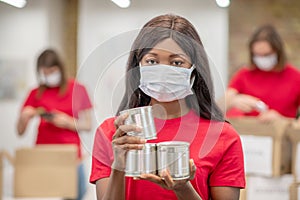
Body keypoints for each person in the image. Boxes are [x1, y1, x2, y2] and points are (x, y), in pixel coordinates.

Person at [89, 14, 245, 200]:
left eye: (176, 62)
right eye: (152, 61)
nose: (163, 70)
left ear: (194, 70)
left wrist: (182, 187)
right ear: (138, 66)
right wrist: (119, 165)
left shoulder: (223, 137)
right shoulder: (112, 134)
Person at [17, 49, 93, 200]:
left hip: (70, 157)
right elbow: (19, 132)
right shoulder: (35, 93)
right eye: (45, 72)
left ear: (60, 68)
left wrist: (68, 122)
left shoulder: (78, 89)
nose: (49, 76)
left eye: (52, 71)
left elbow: (88, 125)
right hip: (43, 156)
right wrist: (24, 117)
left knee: (74, 196)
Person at [223, 24, 300, 123]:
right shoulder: (244, 74)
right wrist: (234, 101)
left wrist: (281, 120)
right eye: (257, 55)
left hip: (282, 135)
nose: (262, 59)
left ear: (278, 52)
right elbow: (217, 107)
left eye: (267, 55)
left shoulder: (295, 77)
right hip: (249, 134)